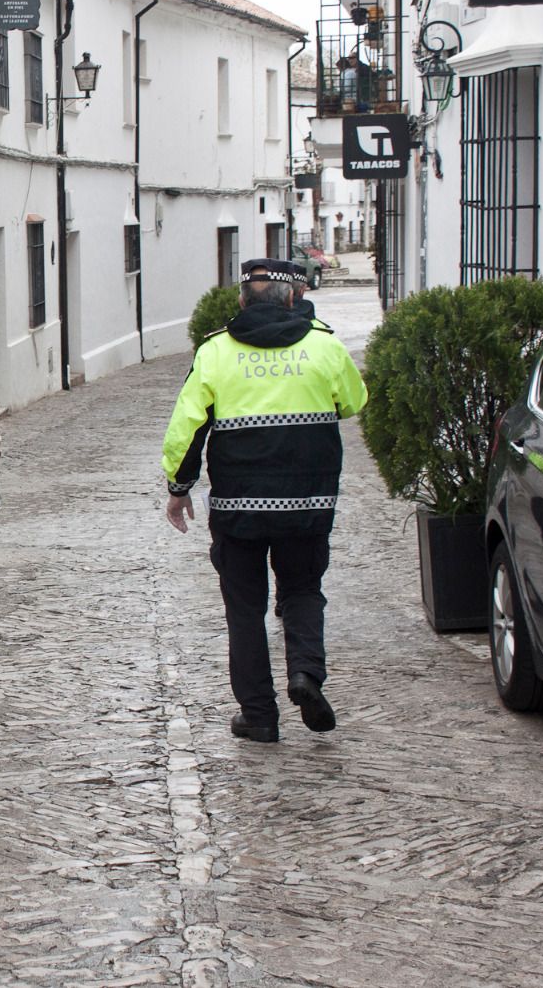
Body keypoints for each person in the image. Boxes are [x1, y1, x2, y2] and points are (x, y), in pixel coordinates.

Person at [160, 259, 367, 743]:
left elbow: (187, 428)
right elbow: (354, 402)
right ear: (293, 297)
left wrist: (178, 487)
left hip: (239, 507)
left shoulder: (215, 351)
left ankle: (259, 715)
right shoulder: (324, 344)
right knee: (302, 590)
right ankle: (305, 676)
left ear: (240, 302)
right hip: (308, 501)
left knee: (245, 609)